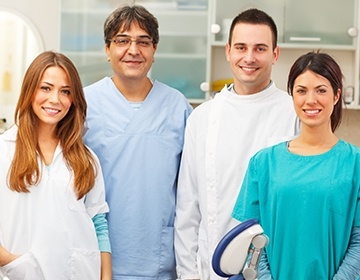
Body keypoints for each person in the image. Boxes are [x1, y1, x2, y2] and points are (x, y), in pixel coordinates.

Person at [174, 8, 299, 280]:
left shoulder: (294, 113)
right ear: (228, 51)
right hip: (213, 269)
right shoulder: (202, 118)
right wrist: (187, 275)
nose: (249, 58)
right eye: (241, 47)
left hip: (278, 269)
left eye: (260, 48)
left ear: (275, 54)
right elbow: (188, 209)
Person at [82, 4, 193, 279]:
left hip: (159, 260)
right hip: (96, 258)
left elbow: (192, 190)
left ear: (154, 51)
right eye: (122, 41)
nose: (133, 50)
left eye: (143, 42)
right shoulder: (83, 105)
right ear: (107, 50)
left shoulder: (177, 106)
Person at [232, 51, 360, 279]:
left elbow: (358, 242)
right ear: (292, 96)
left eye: (321, 90)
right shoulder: (263, 163)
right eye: (301, 91)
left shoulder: (354, 163)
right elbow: (252, 238)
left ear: (337, 95)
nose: (311, 100)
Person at [0, 51, 112, 279]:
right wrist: (14, 264)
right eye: (46, 88)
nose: (55, 99)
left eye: (65, 92)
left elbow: (99, 223)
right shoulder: (4, 150)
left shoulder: (86, 159)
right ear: (30, 90)